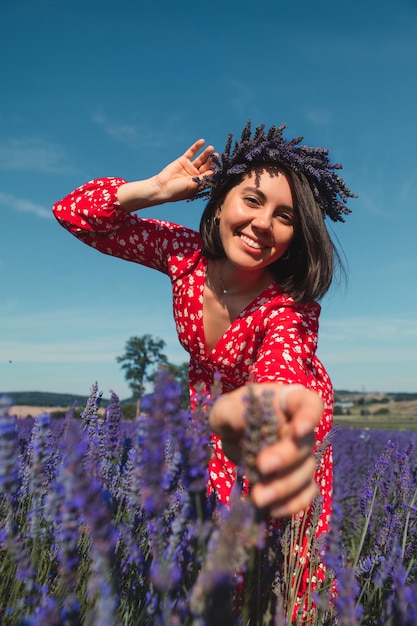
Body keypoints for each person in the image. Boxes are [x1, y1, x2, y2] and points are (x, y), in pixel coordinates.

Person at [52, 121, 354, 616]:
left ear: (297, 235)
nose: (263, 224)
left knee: (281, 570)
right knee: (211, 553)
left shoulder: (287, 307)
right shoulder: (185, 256)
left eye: (285, 216)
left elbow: (283, 368)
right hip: (210, 417)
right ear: (221, 201)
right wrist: (154, 190)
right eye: (252, 200)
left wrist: (276, 412)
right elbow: (73, 214)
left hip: (279, 426)